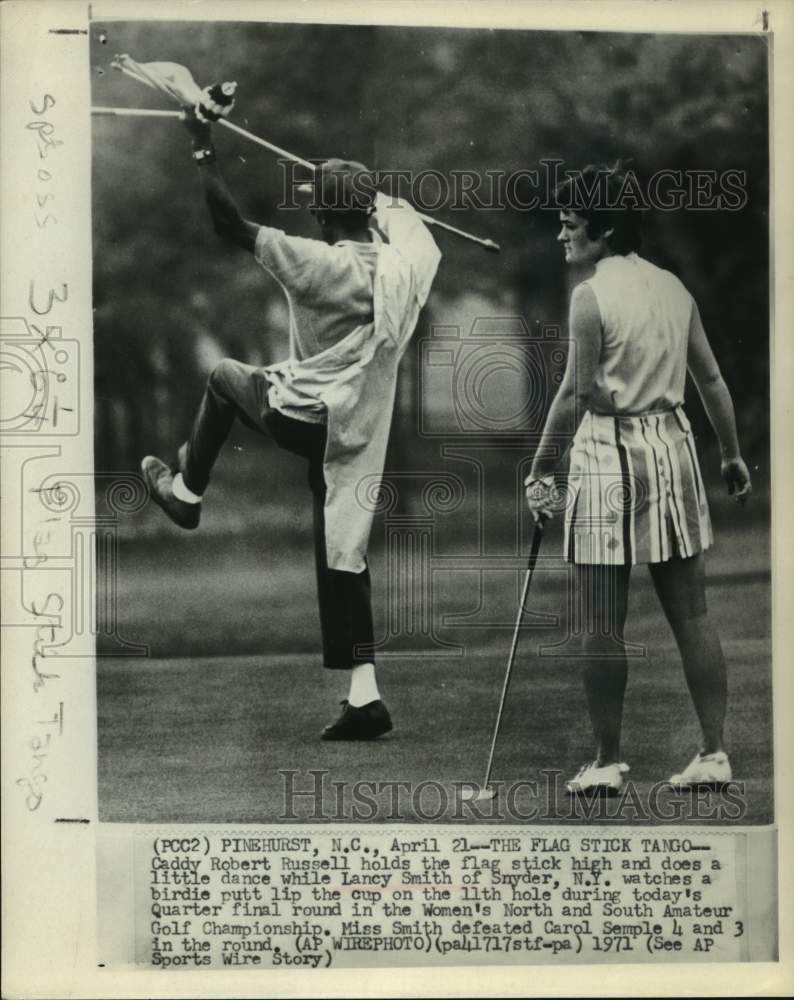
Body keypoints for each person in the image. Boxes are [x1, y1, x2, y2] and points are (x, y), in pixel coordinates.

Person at [141, 108, 441, 740]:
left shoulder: (316, 262)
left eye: (316, 206)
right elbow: (411, 228)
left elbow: (227, 222)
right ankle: (366, 698)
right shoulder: (405, 266)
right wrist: (379, 200)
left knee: (224, 376)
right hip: (355, 433)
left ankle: (187, 494)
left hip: (304, 416)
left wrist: (202, 145)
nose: (309, 214)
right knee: (343, 553)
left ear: (325, 218)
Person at [524, 163, 752, 794]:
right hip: (673, 449)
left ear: (604, 230)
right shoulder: (673, 288)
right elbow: (709, 379)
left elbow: (575, 393)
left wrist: (541, 470)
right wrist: (731, 455)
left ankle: (604, 763)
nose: (561, 236)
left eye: (571, 225)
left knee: (602, 620)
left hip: (608, 452)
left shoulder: (589, 295)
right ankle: (713, 753)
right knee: (692, 613)